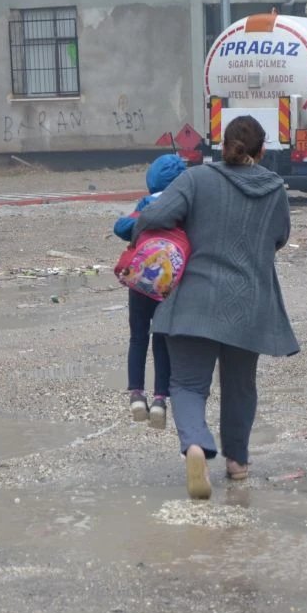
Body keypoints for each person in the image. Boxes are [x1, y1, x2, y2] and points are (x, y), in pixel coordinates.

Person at [132, 117, 298, 500]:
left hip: (193, 303)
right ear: (260, 151)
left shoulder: (195, 180)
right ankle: (237, 462)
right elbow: (280, 237)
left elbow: (153, 217)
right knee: (240, 387)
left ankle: (195, 447)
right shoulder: (274, 189)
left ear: (223, 145)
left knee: (188, 384)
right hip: (250, 305)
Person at [114, 153, 187, 428]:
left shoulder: (146, 204)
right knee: (161, 339)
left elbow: (121, 227)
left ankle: (135, 394)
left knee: (137, 337)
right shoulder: (184, 205)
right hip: (170, 284)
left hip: (141, 281)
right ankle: (159, 399)